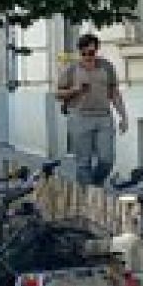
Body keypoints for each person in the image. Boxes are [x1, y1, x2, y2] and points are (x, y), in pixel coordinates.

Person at [55, 33, 127, 186]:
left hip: (103, 117)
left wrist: (123, 116)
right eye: (84, 53)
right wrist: (74, 90)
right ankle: (87, 196)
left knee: (107, 159)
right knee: (83, 162)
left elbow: (114, 92)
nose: (88, 56)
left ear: (97, 51)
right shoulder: (72, 69)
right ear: (80, 52)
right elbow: (58, 94)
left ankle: (94, 184)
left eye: (91, 53)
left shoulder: (106, 67)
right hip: (80, 117)